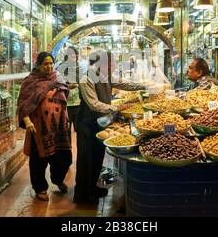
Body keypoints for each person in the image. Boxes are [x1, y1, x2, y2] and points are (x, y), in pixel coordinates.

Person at [73, 49, 146, 204]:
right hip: (87, 123)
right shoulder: (87, 79)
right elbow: (94, 104)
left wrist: (144, 86)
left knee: (97, 156)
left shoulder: (106, 75)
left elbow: (124, 83)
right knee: (86, 159)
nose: (114, 65)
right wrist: (116, 108)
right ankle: (81, 194)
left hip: (100, 122)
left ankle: (92, 187)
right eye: (111, 62)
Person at [17, 52, 72, 202]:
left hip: (59, 127)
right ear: (38, 65)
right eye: (45, 64)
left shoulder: (57, 77)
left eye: (51, 63)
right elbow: (23, 105)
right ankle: (40, 188)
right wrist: (27, 122)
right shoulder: (30, 82)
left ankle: (58, 179)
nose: (49, 67)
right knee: (38, 161)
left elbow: (65, 93)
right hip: (39, 129)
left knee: (64, 158)